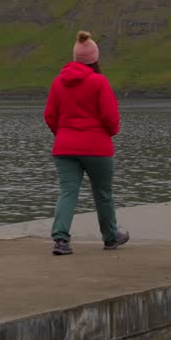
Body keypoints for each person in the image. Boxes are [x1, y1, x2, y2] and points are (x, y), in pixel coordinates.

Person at [43, 30, 128, 256]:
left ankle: (61, 240)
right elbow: (110, 117)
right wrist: (110, 132)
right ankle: (111, 238)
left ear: (75, 57)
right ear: (94, 58)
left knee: (68, 192)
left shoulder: (58, 83)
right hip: (96, 147)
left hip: (65, 147)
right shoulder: (99, 82)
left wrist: (62, 135)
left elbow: (50, 116)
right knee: (103, 193)